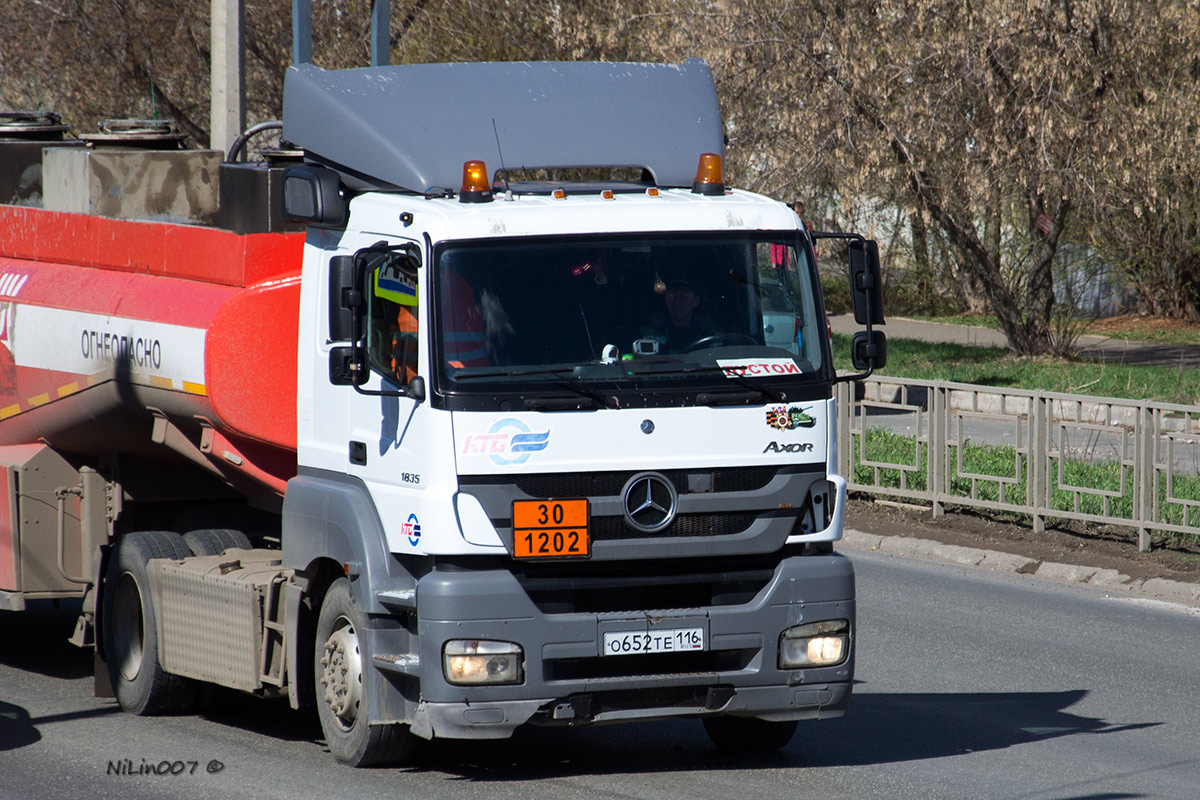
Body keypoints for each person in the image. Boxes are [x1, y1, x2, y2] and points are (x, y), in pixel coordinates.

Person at [640, 277, 719, 353]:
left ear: (696, 301)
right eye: (671, 296)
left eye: (682, 297)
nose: (676, 302)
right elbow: (630, 359)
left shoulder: (710, 332)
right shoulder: (647, 333)